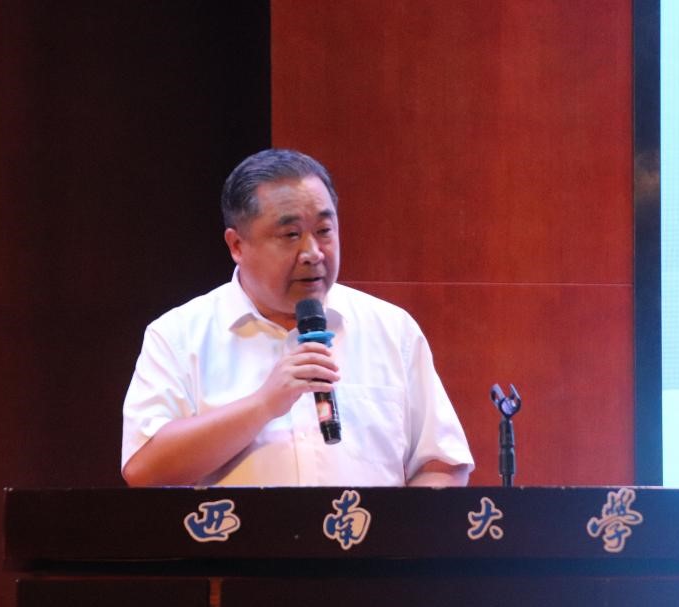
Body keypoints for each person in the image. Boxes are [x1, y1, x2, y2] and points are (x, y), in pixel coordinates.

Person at [121, 149, 472, 487]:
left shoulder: (392, 329)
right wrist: (263, 405)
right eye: (291, 235)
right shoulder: (179, 336)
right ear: (237, 245)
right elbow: (145, 469)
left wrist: (396, 526)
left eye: (324, 231)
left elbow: (442, 464)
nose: (313, 253)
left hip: (363, 531)